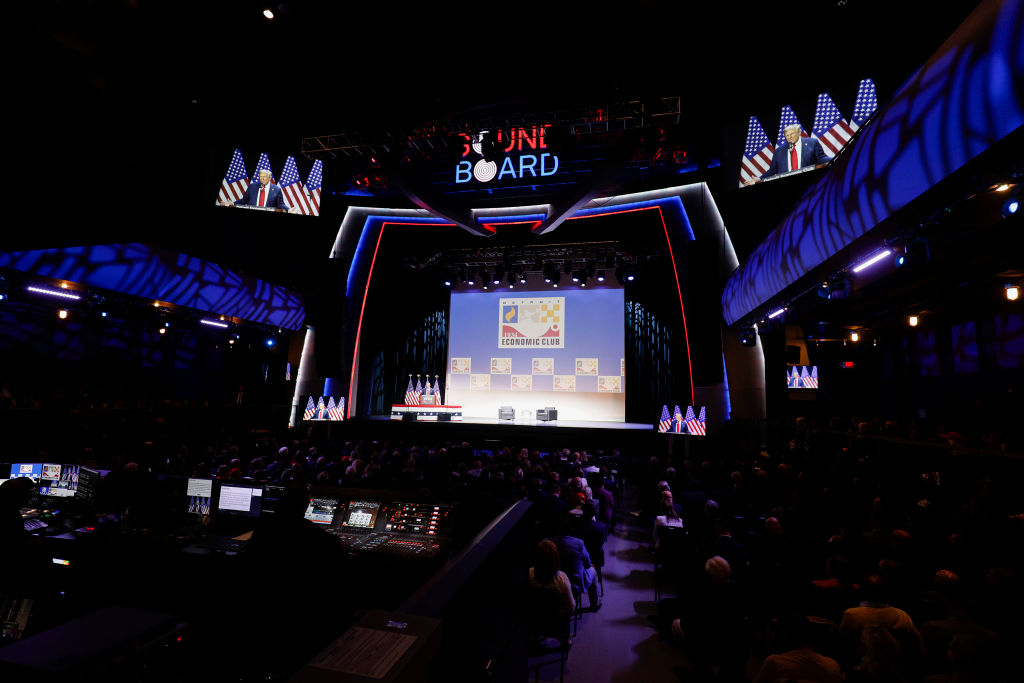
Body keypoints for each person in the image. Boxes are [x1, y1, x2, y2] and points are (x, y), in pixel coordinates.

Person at [748, 124, 829, 183]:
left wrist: (833, 159)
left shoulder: (812, 143)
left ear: (799, 133)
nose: (789, 137)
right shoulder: (779, 151)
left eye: (792, 134)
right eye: (787, 135)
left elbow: (821, 158)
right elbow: (772, 170)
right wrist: (759, 178)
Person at [529, 539, 575, 617]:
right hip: (556, 622)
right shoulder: (562, 579)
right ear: (556, 558)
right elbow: (571, 608)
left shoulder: (528, 573)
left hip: (533, 618)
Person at [224, 168, 291, 211]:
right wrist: (232, 203)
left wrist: (289, 210)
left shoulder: (276, 189)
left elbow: (280, 204)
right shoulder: (252, 187)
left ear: (269, 178)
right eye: (261, 177)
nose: (262, 178)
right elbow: (244, 200)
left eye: (264, 177)